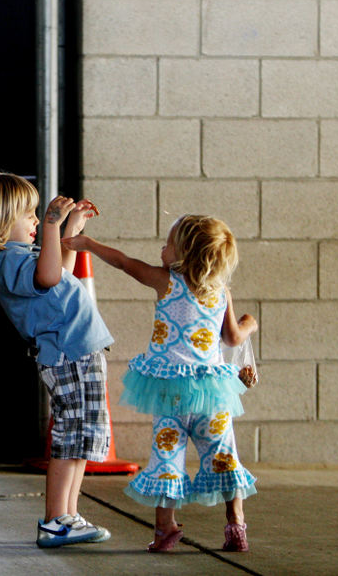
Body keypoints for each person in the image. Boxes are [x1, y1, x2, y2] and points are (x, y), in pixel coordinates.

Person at [62, 214, 258, 552]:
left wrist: (88, 245)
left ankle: (165, 529)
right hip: (211, 395)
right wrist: (250, 323)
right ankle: (236, 524)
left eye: (168, 244)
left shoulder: (166, 281)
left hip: (169, 394)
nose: (162, 249)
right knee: (223, 455)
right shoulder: (220, 292)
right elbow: (232, 338)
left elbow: (124, 263)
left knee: (167, 456)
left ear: (184, 253)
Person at [0, 170, 113, 548]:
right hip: (67, 353)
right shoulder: (7, 260)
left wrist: (68, 228)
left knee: (81, 438)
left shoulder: (22, 255)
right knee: (70, 435)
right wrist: (53, 229)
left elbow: (61, 273)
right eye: (29, 215)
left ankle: (68, 515)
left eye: (37, 214)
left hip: (78, 350)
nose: (35, 221)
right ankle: (56, 518)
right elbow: (47, 276)